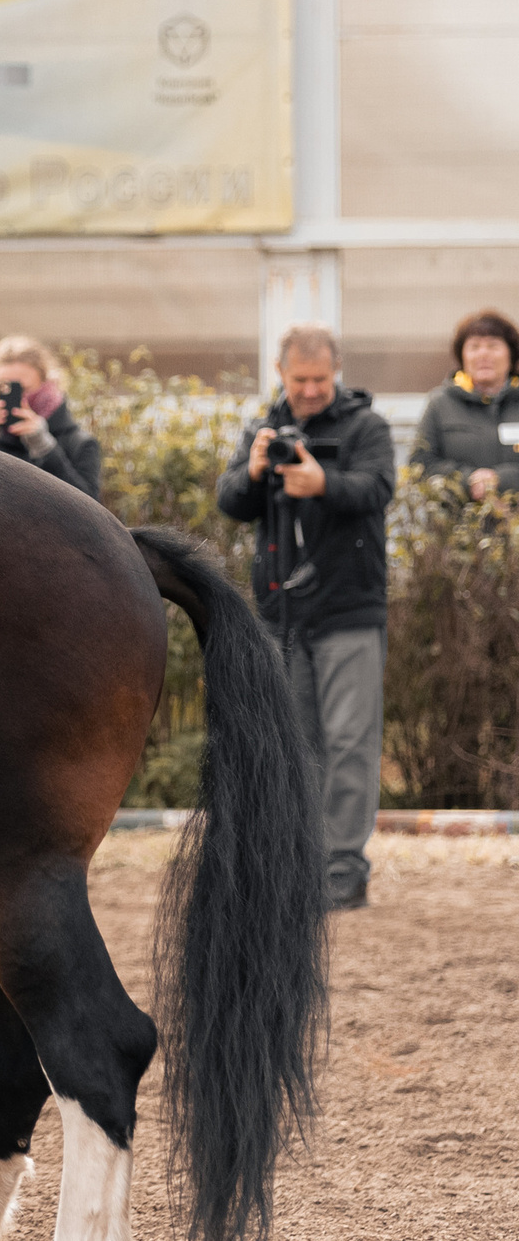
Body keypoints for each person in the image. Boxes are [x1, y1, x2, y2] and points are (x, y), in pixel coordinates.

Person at [215, 324, 395, 911]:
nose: (311, 390)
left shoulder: (366, 425)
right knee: (294, 744)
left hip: (348, 607)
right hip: (282, 610)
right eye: (301, 379)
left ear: (336, 372)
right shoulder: (262, 430)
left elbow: (377, 488)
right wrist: (255, 471)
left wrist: (324, 483)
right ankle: (300, 864)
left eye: (321, 379)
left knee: (350, 741)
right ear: (281, 372)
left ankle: (343, 865)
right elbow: (230, 501)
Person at [0, 334, 103, 498]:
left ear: (46, 388)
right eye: (4, 389)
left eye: (22, 389)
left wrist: (44, 447)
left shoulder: (79, 443)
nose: (16, 399)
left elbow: (89, 509)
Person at [410, 309, 519, 501]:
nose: (483, 354)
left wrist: (502, 480)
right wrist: (468, 480)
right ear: (462, 357)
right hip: (456, 526)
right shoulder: (440, 403)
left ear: (511, 355)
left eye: (493, 346)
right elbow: (420, 466)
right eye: (474, 347)